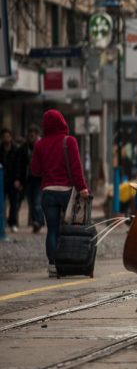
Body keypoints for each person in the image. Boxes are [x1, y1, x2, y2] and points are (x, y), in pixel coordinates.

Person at [30, 111, 90, 277]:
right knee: (71, 229)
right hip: (67, 193)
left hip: (48, 192)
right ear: (62, 122)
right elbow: (76, 168)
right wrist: (83, 188)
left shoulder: (40, 144)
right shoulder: (69, 141)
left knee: (52, 230)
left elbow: (35, 170)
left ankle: (52, 265)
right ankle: (70, 261)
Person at [16, 124, 45, 233]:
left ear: (37, 135)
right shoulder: (24, 148)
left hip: (39, 179)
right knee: (31, 202)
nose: (31, 137)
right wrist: (18, 179)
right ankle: (36, 222)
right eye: (29, 135)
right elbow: (19, 164)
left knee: (37, 202)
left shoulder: (42, 146)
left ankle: (39, 221)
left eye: (33, 135)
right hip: (28, 179)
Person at [1, 128, 21, 233]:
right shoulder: (0, 150)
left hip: (13, 179)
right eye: (4, 137)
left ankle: (13, 223)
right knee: (2, 202)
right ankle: (2, 222)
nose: (6, 138)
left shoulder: (16, 150)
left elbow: (18, 165)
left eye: (8, 136)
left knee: (14, 203)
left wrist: (18, 179)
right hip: (2, 180)